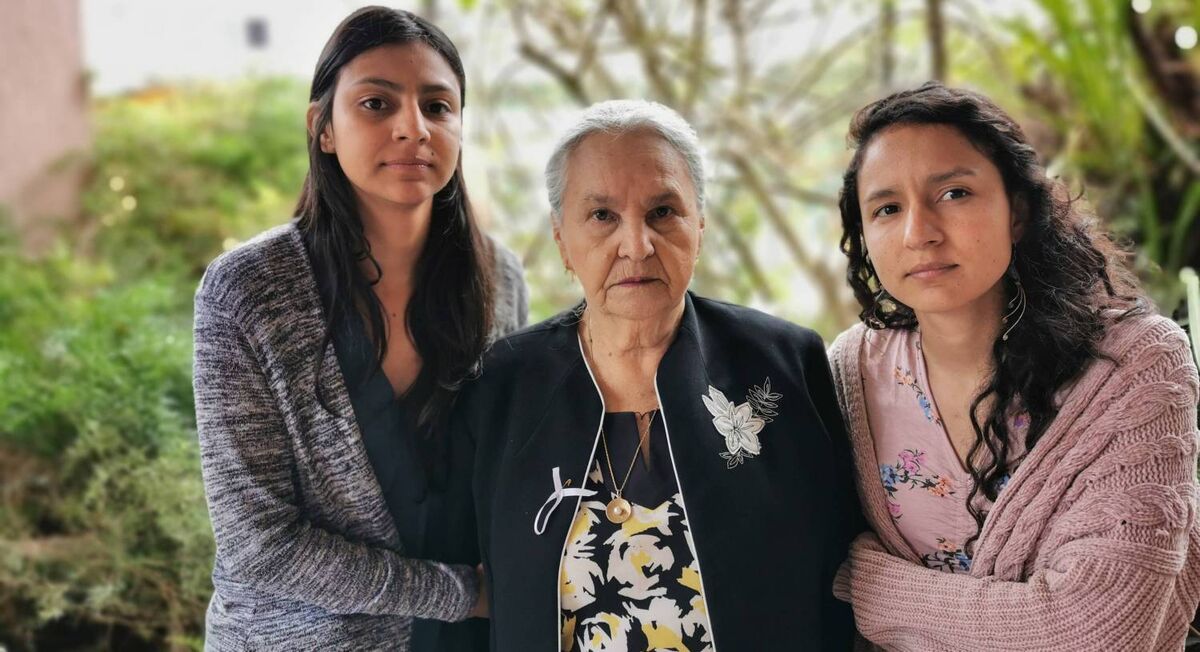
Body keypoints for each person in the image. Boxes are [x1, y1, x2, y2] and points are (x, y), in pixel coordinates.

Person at [460, 99, 860, 651]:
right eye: (602, 216)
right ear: (561, 240)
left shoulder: (785, 364)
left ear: (700, 223)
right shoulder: (504, 383)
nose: (636, 244)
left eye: (663, 212)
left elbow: (841, 568)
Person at [191, 7, 526, 650]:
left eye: (438, 107)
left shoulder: (501, 280)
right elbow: (258, 546)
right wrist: (462, 594)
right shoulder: (246, 292)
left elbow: (506, 477)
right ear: (323, 129)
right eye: (377, 103)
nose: (413, 128)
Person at [827, 81, 1200, 650]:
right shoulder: (850, 371)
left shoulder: (1138, 366)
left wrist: (868, 583)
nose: (918, 232)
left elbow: (1100, 633)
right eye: (886, 208)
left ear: (1018, 211)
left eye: (953, 193)